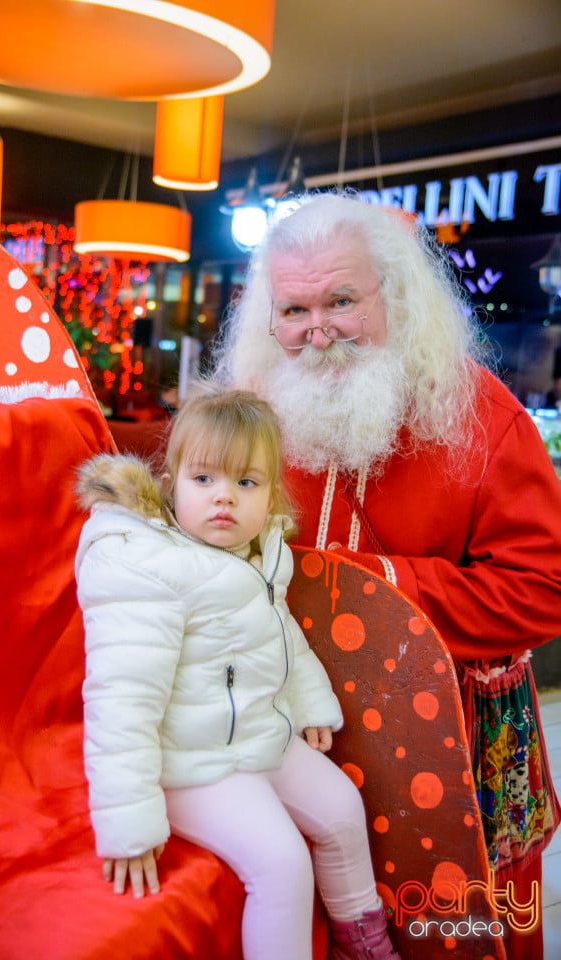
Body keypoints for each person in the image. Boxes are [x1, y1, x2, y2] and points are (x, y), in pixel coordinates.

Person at [213, 192, 561, 960]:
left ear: (394, 297)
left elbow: (544, 591)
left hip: (460, 743)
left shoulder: (482, 413)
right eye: (294, 309)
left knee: (468, 933)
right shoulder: (253, 412)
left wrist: (374, 586)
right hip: (306, 736)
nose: (317, 331)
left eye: (342, 300)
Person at [75, 388, 401, 960]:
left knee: (343, 809)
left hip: (259, 739)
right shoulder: (145, 566)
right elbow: (122, 700)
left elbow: (281, 637)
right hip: (192, 767)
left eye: (246, 483)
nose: (225, 498)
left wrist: (311, 704)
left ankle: (364, 945)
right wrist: (129, 821)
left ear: (271, 493)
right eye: (205, 480)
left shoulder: (261, 553)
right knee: (281, 863)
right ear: (171, 482)